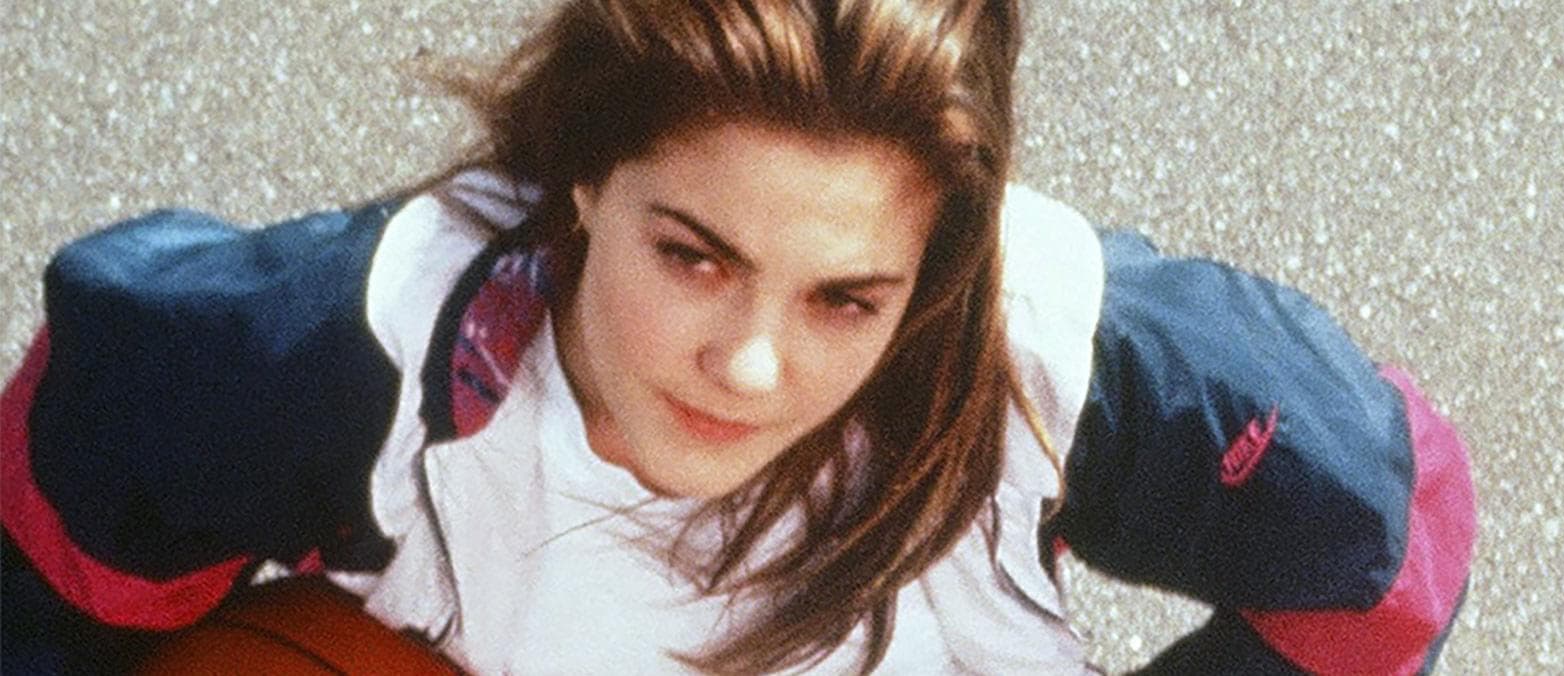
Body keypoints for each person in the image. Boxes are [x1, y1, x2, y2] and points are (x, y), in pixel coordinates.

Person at [0, 0, 1477, 673]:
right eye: (693, 257)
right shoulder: (364, 346)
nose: (752, 366)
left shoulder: (1048, 358)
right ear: (585, 173)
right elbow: (69, 508)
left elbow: (1385, 546)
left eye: (847, 298)